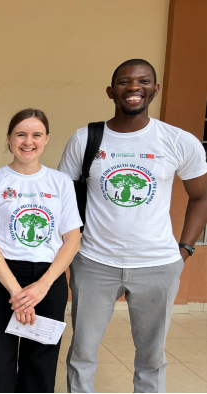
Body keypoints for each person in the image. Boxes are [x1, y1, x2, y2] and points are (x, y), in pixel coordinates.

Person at [59, 59, 207, 393]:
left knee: (151, 357)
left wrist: (184, 249)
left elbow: (202, 197)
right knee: (81, 351)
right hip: (95, 263)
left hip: (157, 264)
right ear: (112, 91)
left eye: (144, 81)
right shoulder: (86, 139)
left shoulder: (178, 141)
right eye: (125, 81)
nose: (134, 87)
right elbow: (63, 199)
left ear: (156, 89)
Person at [0, 109, 82, 393]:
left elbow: (72, 240)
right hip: (3, 276)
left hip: (49, 278)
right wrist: (17, 293)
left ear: (46, 140)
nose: (28, 141)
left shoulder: (60, 182)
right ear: (9, 139)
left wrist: (42, 287)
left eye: (36, 135)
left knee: (41, 362)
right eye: (21, 134)